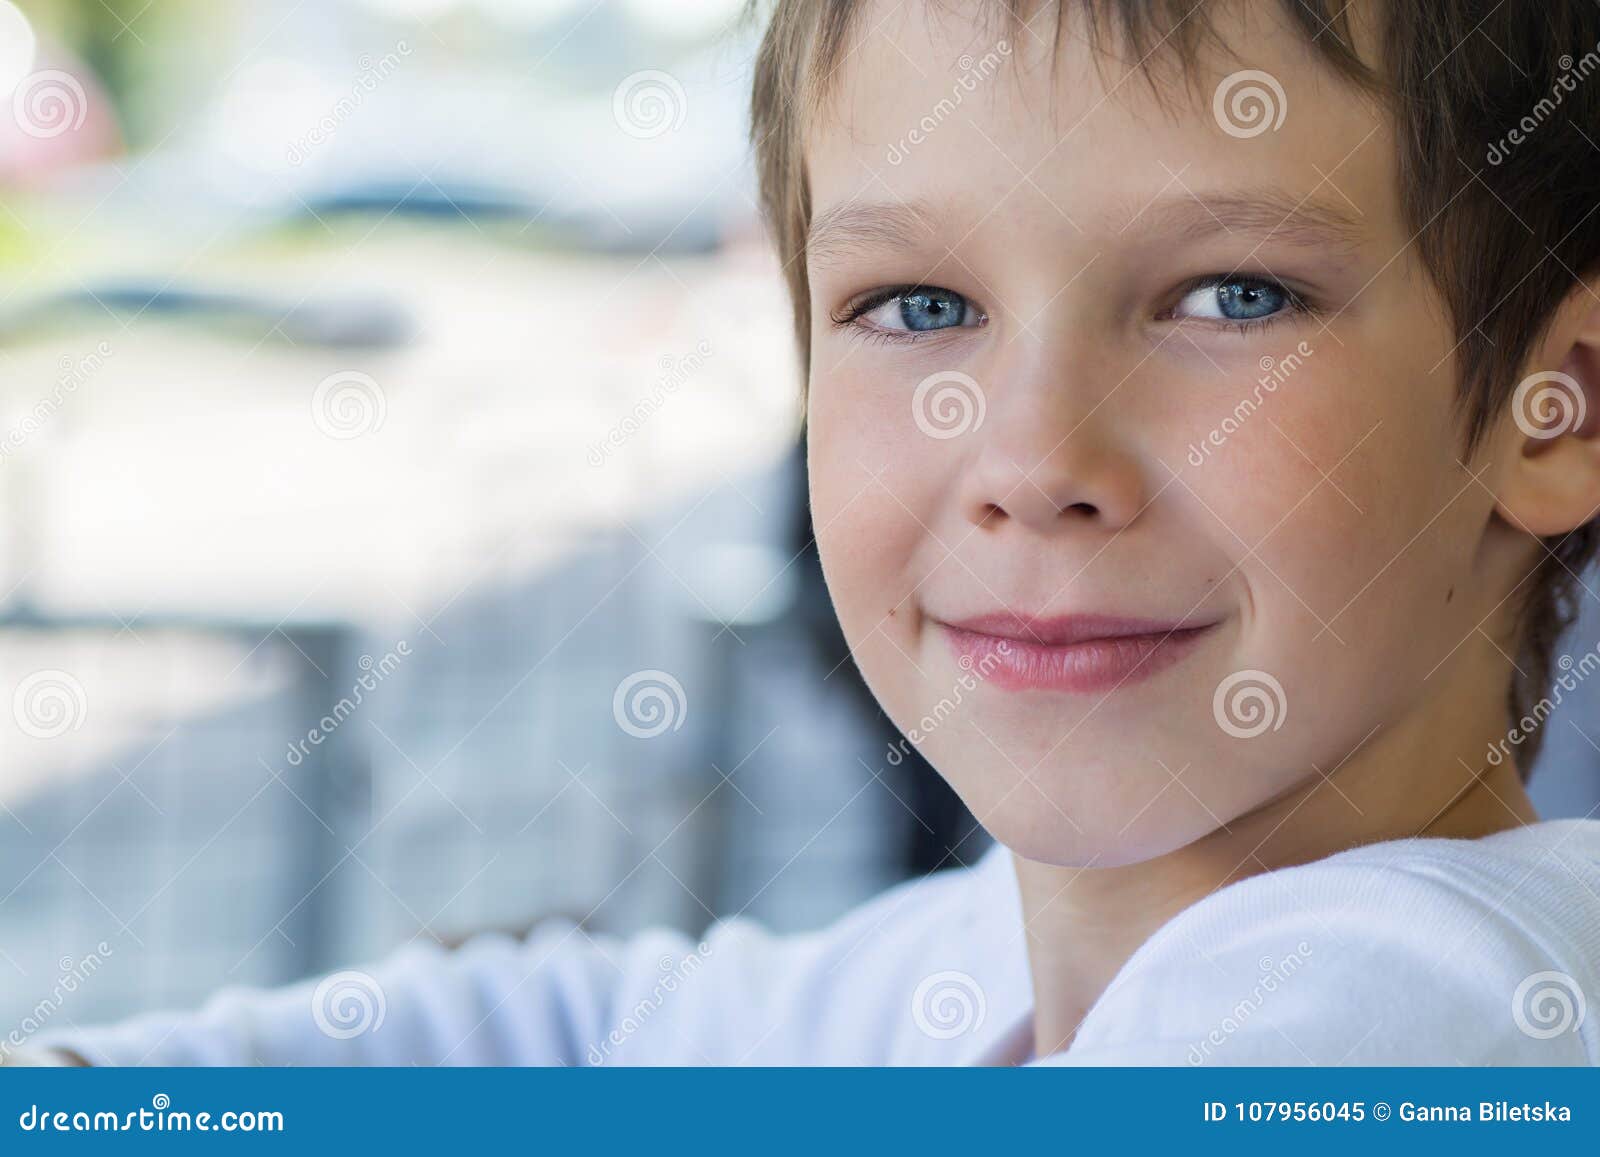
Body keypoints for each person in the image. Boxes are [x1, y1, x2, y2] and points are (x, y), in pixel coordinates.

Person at [18, 0, 1600, 1066]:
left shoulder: (1416, 1012)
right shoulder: (955, 971)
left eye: (1231, 295)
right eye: (918, 306)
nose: (1033, 457)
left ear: (1563, 405)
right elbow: (560, 1035)